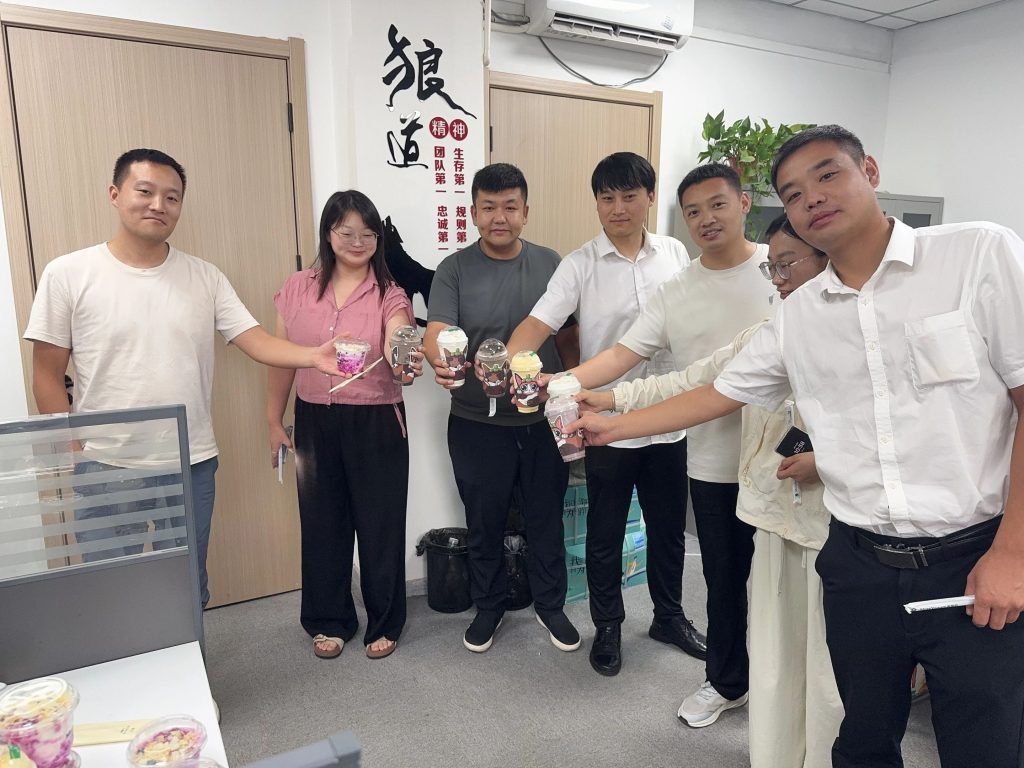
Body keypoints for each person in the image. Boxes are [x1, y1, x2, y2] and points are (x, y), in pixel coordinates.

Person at [571, 125, 1024, 767]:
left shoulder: (975, 254)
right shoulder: (799, 312)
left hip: (971, 556)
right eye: (792, 192)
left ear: (869, 170)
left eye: (827, 174)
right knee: (861, 735)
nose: (812, 197)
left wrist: (1013, 551)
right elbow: (715, 388)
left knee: (983, 743)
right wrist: (610, 425)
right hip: (859, 562)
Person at [579, 213, 841, 764]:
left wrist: (830, 460)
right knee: (763, 622)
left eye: (787, 265)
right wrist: (612, 404)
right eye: (773, 268)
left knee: (825, 650)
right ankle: (735, 691)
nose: (777, 279)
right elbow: (699, 383)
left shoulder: (860, 329)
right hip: (768, 502)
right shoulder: (769, 331)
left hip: (839, 518)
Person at [24, 148, 339, 607]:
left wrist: (313, 356)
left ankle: (190, 655)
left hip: (193, 463)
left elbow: (254, 340)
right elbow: (46, 374)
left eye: (172, 198)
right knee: (108, 593)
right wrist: (72, 451)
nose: (159, 205)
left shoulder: (204, 276)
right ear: (115, 194)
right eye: (145, 191)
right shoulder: (69, 273)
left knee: (186, 588)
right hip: (108, 464)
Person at [562, 162, 771, 726]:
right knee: (724, 581)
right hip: (711, 458)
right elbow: (629, 358)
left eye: (717, 205)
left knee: (786, 585)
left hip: (784, 460)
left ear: (743, 203)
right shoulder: (676, 288)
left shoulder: (781, 270)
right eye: (695, 211)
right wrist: (564, 384)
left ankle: (783, 685)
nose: (706, 219)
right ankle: (727, 681)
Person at [505, 152, 704, 677]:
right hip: (606, 421)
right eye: (607, 197)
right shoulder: (579, 265)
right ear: (596, 202)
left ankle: (669, 617)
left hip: (668, 417)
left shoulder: (674, 252)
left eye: (629, 196)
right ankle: (608, 625)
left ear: (650, 198)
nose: (618, 208)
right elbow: (539, 324)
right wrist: (506, 361)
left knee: (667, 530)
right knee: (605, 532)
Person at [424, 163, 582, 654]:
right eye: (489, 207)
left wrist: (574, 386)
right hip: (475, 420)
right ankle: (488, 606)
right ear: (473, 213)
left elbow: (568, 332)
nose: (499, 217)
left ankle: (550, 605)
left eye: (510, 207)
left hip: (542, 419)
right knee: (484, 518)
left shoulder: (551, 263)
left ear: (525, 212)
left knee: (546, 517)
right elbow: (437, 331)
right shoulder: (453, 269)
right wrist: (437, 358)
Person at [267, 190, 421, 660]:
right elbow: (281, 358)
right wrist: (273, 418)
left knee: (380, 524)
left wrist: (403, 355)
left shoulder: (389, 292)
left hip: (376, 419)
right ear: (328, 233)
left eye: (368, 234)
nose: (358, 242)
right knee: (321, 523)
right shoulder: (298, 288)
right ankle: (329, 620)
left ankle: (385, 621)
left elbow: (400, 333)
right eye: (346, 232)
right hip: (315, 417)